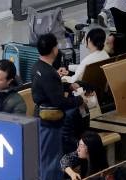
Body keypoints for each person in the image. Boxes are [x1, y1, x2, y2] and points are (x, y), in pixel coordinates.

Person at [32, 32, 85, 180]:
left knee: (45, 156)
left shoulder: (37, 67)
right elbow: (59, 102)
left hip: (40, 118)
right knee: (51, 158)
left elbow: (48, 90)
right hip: (49, 122)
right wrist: (79, 101)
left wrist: (67, 86)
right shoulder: (49, 73)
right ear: (54, 49)